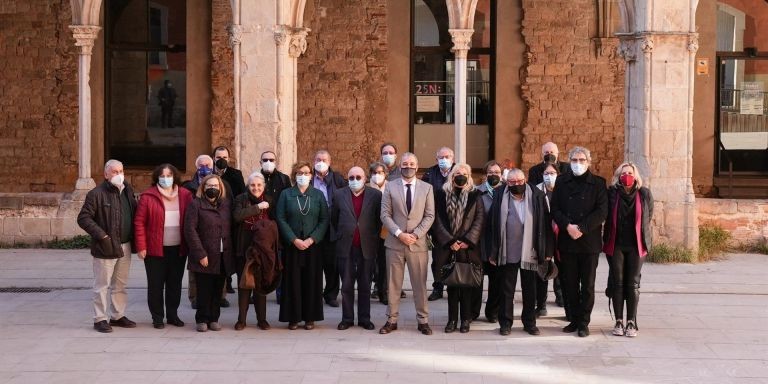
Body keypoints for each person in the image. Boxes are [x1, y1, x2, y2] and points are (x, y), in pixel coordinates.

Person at [551, 146, 608, 337]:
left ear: (588, 162)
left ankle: (584, 322)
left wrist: (582, 228)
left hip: (589, 242)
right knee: (569, 284)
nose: (577, 164)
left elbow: (601, 211)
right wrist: (568, 226)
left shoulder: (598, 183)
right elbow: (555, 208)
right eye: (574, 160)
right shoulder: (561, 181)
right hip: (568, 240)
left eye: (581, 160)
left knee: (588, 285)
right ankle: (573, 320)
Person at [488, 168, 554, 336]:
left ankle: (529, 322)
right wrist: (493, 251)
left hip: (530, 251)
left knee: (530, 289)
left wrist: (547, 250)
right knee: (506, 290)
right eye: (512, 182)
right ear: (506, 182)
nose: (516, 185)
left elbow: (546, 224)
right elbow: (492, 224)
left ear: (524, 180)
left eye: (519, 182)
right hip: (507, 250)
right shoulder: (499, 195)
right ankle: (505, 323)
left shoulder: (538, 195)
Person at [77, 159, 138, 333]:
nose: (119, 175)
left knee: (120, 284)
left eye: (121, 171)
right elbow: (83, 218)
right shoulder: (96, 194)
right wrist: (102, 235)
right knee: (102, 285)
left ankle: (118, 316)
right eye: (114, 172)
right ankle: (100, 319)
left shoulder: (127, 191)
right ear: (106, 174)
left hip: (125, 246)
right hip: (105, 247)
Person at [379, 152, 436, 335]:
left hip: (418, 244)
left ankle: (423, 320)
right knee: (393, 284)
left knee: (419, 284)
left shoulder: (427, 188)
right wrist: (399, 233)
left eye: (412, 163)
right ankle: (391, 319)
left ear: (417, 167)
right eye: (405, 163)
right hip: (395, 243)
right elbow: (385, 214)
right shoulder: (390, 187)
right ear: (400, 165)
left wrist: (416, 234)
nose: (408, 166)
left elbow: (430, 215)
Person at [134, 163, 192, 329]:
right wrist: (141, 246)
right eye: (162, 176)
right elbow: (139, 222)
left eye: (169, 176)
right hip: (154, 250)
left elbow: (191, 220)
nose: (166, 179)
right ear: (157, 178)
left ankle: (173, 315)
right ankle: (157, 317)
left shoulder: (185, 195)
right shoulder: (148, 196)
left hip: (178, 249)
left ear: (175, 177)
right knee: (155, 285)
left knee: (175, 284)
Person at [431, 163, 485, 333]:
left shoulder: (476, 195)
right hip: (449, 247)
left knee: (467, 284)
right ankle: (452, 320)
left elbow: (479, 219)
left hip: (468, 248)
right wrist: (449, 241)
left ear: (469, 176)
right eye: (457, 173)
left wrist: (467, 240)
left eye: (464, 173)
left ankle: (466, 320)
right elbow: (437, 220)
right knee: (452, 285)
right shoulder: (440, 194)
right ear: (451, 176)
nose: (460, 176)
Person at [276, 161, 329, 330]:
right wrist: (293, 239)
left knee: (311, 280)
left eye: (306, 173)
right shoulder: (286, 194)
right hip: (292, 246)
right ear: (294, 176)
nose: (303, 176)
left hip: (313, 246)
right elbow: (281, 218)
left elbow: (324, 219)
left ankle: (309, 318)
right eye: (299, 173)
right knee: (293, 281)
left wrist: (312, 239)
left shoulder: (318, 195)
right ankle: (293, 317)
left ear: (311, 176)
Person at [603, 162, 653, 338]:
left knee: (633, 283)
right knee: (618, 282)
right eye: (623, 173)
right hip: (615, 244)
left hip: (636, 245)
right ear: (618, 176)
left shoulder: (644, 193)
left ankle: (631, 321)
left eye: (630, 173)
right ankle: (618, 320)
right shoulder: (612, 193)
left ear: (635, 175)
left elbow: (648, 216)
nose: (627, 176)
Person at [332, 166, 382, 331]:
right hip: (345, 246)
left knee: (365, 284)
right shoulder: (339, 195)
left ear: (365, 178)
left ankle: (364, 318)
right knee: (346, 284)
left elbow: (378, 220)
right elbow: (334, 219)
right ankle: (347, 318)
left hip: (366, 246)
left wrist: (372, 236)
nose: (355, 180)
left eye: (358, 177)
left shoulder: (375, 195)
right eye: (351, 177)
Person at [184, 174, 234, 332]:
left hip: (222, 254)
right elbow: (190, 230)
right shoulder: (195, 204)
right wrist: (200, 253)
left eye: (215, 186)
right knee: (204, 289)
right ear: (203, 188)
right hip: (205, 254)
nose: (212, 189)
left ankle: (214, 318)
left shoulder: (226, 205)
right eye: (209, 186)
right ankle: (202, 319)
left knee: (218, 289)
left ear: (221, 188)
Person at [183, 154, 230, 309]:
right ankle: (195, 297)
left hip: (218, 241)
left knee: (218, 271)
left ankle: (220, 298)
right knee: (197, 273)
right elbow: (189, 225)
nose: (205, 168)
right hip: (199, 237)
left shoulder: (223, 187)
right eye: (201, 165)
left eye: (208, 165)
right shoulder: (189, 186)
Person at [233, 171, 278, 331]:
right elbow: (237, 216)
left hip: (263, 251)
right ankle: (241, 320)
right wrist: (257, 208)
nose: (256, 188)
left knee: (261, 284)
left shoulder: (270, 200)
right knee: (244, 284)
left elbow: (274, 223)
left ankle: (262, 320)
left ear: (264, 186)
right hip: (244, 248)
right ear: (248, 186)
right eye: (252, 185)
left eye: (259, 185)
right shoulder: (240, 199)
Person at [310, 150, 348, 307]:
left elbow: (346, 198)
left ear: (329, 162)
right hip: (312, 227)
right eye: (318, 159)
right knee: (314, 263)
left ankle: (331, 294)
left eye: (324, 159)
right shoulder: (308, 178)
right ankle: (313, 294)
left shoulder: (338, 179)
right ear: (313, 161)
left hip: (333, 227)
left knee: (332, 264)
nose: (321, 162)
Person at [423, 146, 455, 302]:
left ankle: (453, 287)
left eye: (447, 157)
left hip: (455, 224)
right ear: (436, 159)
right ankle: (438, 287)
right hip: (436, 223)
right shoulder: (430, 174)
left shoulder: (459, 172)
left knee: (454, 257)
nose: (444, 160)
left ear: (453, 159)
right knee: (438, 259)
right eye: (441, 157)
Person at [259, 150, 292, 303]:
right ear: (260, 162)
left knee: (279, 262)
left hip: (279, 227)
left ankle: (281, 294)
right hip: (261, 227)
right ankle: (258, 293)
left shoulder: (284, 179)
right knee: (260, 260)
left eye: (271, 160)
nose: (268, 162)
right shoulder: (256, 178)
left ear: (276, 162)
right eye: (265, 160)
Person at [213, 145, 245, 295]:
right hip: (213, 219)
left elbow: (241, 194)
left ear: (229, 159)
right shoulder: (210, 174)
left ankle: (229, 280)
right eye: (218, 157)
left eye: (224, 157)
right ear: (214, 158)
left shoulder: (235, 174)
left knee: (230, 250)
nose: (221, 160)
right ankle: (224, 284)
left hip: (230, 218)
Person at [474, 160, 503, 323]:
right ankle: (473, 312)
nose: (494, 175)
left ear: (501, 175)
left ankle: (492, 312)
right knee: (476, 281)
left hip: (498, 245)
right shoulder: (476, 192)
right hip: (480, 244)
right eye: (490, 172)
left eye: (497, 172)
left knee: (497, 281)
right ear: (485, 175)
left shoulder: (507, 192)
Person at [533, 162, 564, 318]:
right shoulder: (536, 191)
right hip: (544, 235)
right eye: (546, 173)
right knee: (543, 270)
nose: (549, 176)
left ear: (558, 174)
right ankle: (541, 304)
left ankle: (562, 298)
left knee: (563, 272)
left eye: (552, 173)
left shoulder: (564, 190)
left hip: (562, 236)